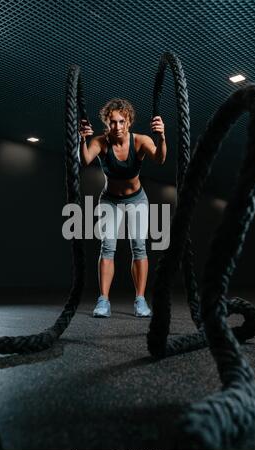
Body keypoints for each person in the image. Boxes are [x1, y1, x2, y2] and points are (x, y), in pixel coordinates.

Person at [79, 98, 166, 318]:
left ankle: (140, 300)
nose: (117, 127)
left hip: (137, 199)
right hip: (110, 200)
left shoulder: (140, 141)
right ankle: (103, 301)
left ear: (128, 122)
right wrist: (81, 139)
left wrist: (162, 136)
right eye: (112, 122)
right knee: (107, 248)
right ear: (107, 123)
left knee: (139, 247)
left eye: (121, 122)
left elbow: (160, 159)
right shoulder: (100, 142)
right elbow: (85, 160)